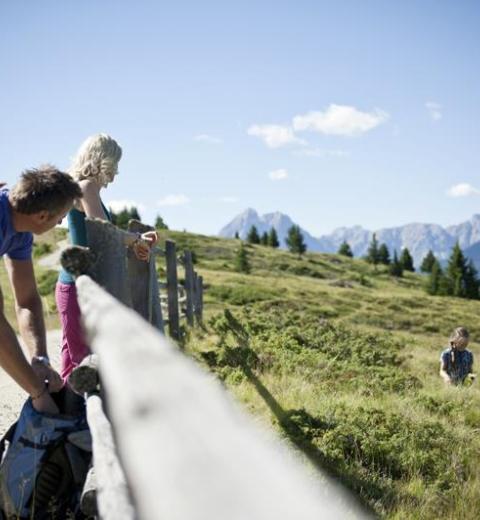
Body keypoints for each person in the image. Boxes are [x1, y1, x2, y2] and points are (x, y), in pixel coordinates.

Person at [56, 134, 157, 383]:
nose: (116, 172)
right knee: (83, 361)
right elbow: (104, 231)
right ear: (104, 160)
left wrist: (135, 242)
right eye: (115, 163)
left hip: (78, 284)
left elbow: (102, 242)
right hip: (77, 285)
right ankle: (82, 416)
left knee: (74, 358)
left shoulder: (87, 190)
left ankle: (71, 414)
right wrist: (135, 239)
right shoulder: (87, 187)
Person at [0, 165, 82, 414]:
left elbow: (26, 300)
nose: (60, 223)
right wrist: (37, 392)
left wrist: (40, 359)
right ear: (43, 216)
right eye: (61, 217)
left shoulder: (20, 231)